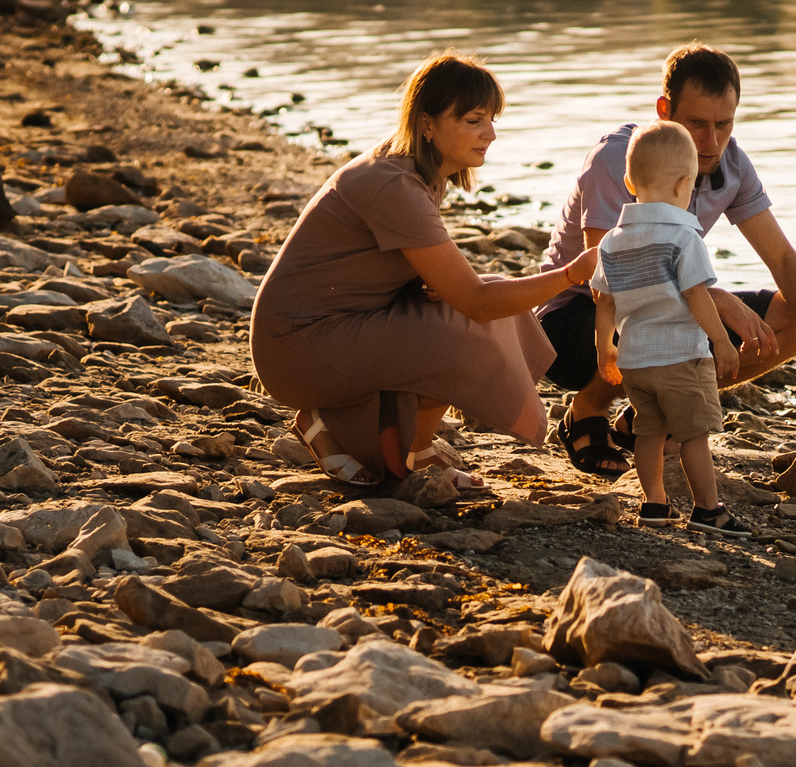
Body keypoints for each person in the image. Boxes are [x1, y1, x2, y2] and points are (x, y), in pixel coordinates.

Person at [250, 51, 595, 484]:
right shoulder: (394, 185)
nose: (490, 133)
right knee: (468, 325)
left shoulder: (422, 173)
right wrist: (571, 274)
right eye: (473, 120)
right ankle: (354, 428)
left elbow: (377, 266)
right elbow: (478, 303)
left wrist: (425, 285)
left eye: (492, 119)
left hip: (338, 325)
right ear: (427, 124)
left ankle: (407, 447)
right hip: (296, 347)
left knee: (466, 306)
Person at [539, 42, 796, 477]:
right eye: (696, 124)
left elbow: (782, 259)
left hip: (662, 307)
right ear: (664, 110)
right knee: (688, 309)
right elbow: (607, 272)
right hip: (574, 318)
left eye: (723, 124)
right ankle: (587, 410)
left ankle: (656, 415)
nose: (710, 142)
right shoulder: (618, 158)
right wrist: (717, 300)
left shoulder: (731, 164)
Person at [589, 120, 744, 534]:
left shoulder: (611, 242)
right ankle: (708, 509)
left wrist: (606, 349)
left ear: (628, 182)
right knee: (694, 435)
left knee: (649, 432)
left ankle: (654, 504)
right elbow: (697, 295)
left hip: (637, 362)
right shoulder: (683, 238)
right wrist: (722, 341)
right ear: (684, 186)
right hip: (680, 357)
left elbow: (603, 301)